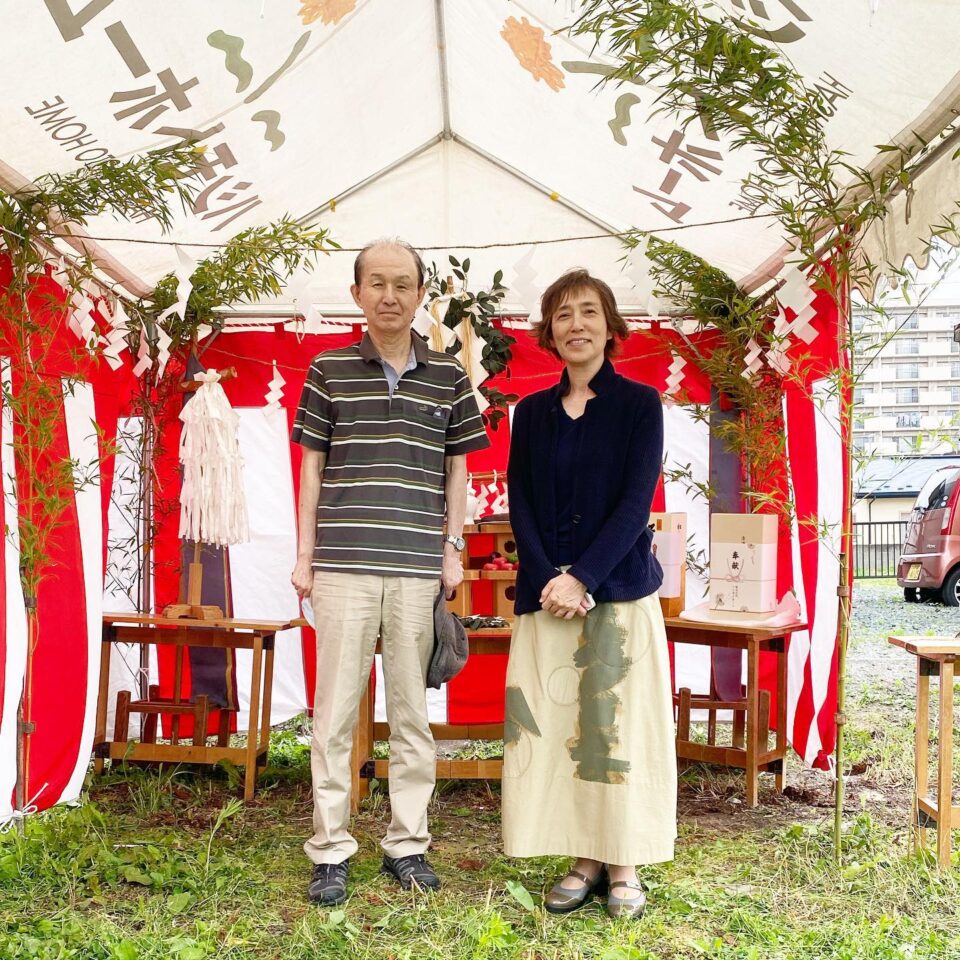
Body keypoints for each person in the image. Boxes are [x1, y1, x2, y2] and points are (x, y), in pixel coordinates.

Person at [291, 238, 489, 906]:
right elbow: (311, 468)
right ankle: (330, 851)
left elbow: (460, 468)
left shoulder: (450, 377)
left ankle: (407, 845)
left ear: (420, 295)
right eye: (376, 283)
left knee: (411, 715)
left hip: (415, 568)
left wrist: (451, 547)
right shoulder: (328, 369)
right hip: (343, 564)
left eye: (403, 284)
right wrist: (303, 555)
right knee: (334, 715)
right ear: (356, 294)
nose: (390, 296)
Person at [502, 269, 677, 920]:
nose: (576, 324)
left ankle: (623, 861)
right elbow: (519, 503)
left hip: (618, 592)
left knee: (613, 728)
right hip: (547, 596)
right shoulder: (533, 414)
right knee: (559, 731)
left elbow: (636, 504)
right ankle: (583, 855)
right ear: (548, 332)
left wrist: (585, 578)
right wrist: (551, 577)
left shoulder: (640, 405)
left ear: (610, 326)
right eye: (563, 314)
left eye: (589, 312)